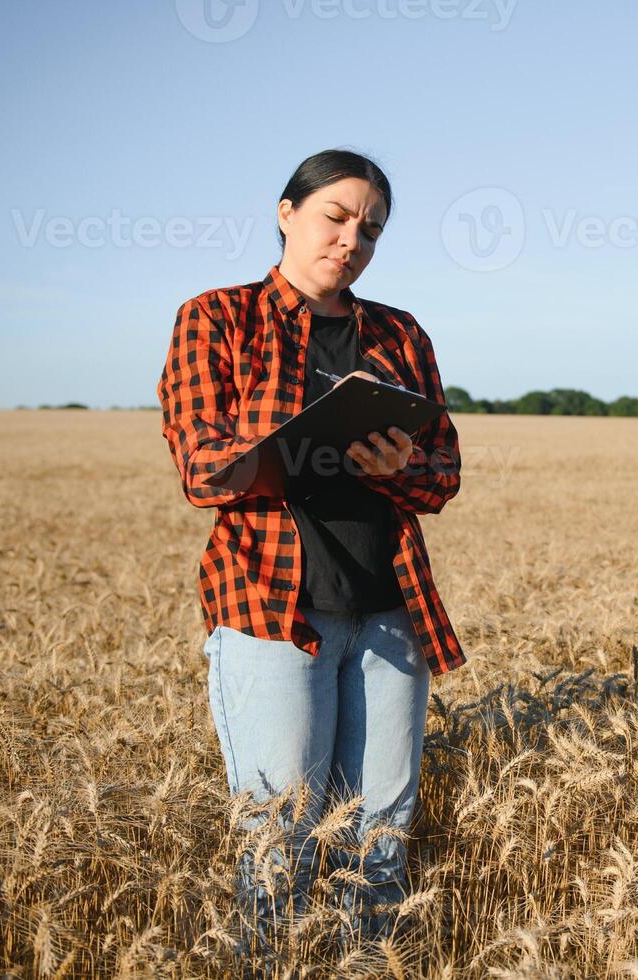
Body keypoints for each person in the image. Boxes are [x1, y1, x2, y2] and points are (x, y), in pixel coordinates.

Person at [155, 148, 467, 961]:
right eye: (335, 217)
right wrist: (305, 440)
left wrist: (401, 468)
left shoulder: (400, 334)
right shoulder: (216, 318)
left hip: (390, 615)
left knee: (382, 835)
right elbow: (202, 466)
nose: (351, 240)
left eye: (370, 229)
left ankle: (373, 965)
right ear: (287, 212)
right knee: (279, 835)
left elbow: (444, 471)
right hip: (270, 609)